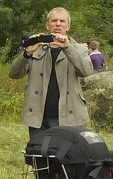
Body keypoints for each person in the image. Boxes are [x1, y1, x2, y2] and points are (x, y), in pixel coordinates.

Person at [9, 8, 93, 138]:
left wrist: (67, 48)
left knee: (67, 156)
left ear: (68, 26)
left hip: (69, 116)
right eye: (54, 21)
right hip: (38, 117)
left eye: (62, 21)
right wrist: (27, 53)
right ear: (47, 25)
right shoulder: (36, 48)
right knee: (39, 155)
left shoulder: (80, 49)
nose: (58, 24)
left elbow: (86, 71)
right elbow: (14, 73)